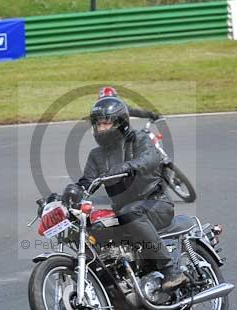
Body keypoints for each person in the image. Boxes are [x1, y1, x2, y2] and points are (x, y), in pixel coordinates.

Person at [74, 96, 186, 291]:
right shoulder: (96, 155)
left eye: (106, 123)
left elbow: (151, 158)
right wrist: (70, 193)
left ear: (120, 123)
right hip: (124, 211)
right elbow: (87, 182)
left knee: (130, 212)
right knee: (96, 227)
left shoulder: (139, 139)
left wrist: (128, 166)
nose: (101, 128)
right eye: (98, 124)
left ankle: (171, 271)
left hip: (155, 204)